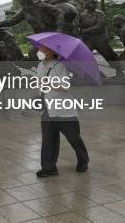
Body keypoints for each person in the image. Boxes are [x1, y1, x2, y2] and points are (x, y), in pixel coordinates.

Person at [35, 45, 89, 178]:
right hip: (47, 109)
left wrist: (49, 83)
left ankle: (83, 160)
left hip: (64, 109)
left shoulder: (60, 66)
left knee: (73, 137)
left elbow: (65, 87)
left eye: (43, 49)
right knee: (48, 139)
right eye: (40, 49)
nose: (40, 51)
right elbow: (40, 84)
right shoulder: (40, 65)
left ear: (51, 51)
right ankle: (49, 168)